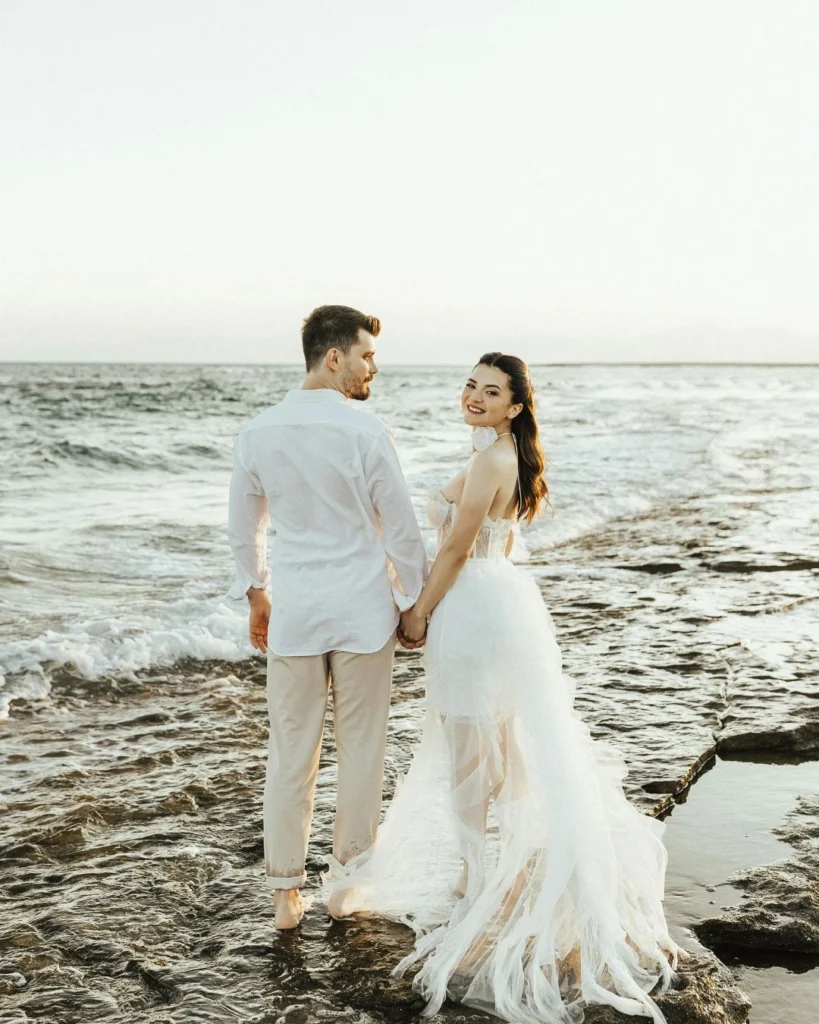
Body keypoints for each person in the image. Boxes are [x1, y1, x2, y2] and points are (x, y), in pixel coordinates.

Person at [324, 353, 680, 1023]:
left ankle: (474, 880)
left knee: (470, 744)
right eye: (470, 385)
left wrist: (418, 610)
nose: (474, 397)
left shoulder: (492, 461)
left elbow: (457, 549)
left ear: (515, 405)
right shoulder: (497, 451)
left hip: (471, 606)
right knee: (497, 743)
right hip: (497, 601)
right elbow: (491, 543)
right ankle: (495, 865)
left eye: (491, 391)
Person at [228, 305, 428, 930]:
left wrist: (256, 593)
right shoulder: (366, 433)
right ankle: (346, 884)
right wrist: (414, 606)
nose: (374, 366)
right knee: (362, 751)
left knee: (291, 753)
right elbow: (400, 529)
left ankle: (287, 894)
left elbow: (244, 528)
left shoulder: (257, 432)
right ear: (334, 356)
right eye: (367, 355)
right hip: (364, 613)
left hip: (297, 614)